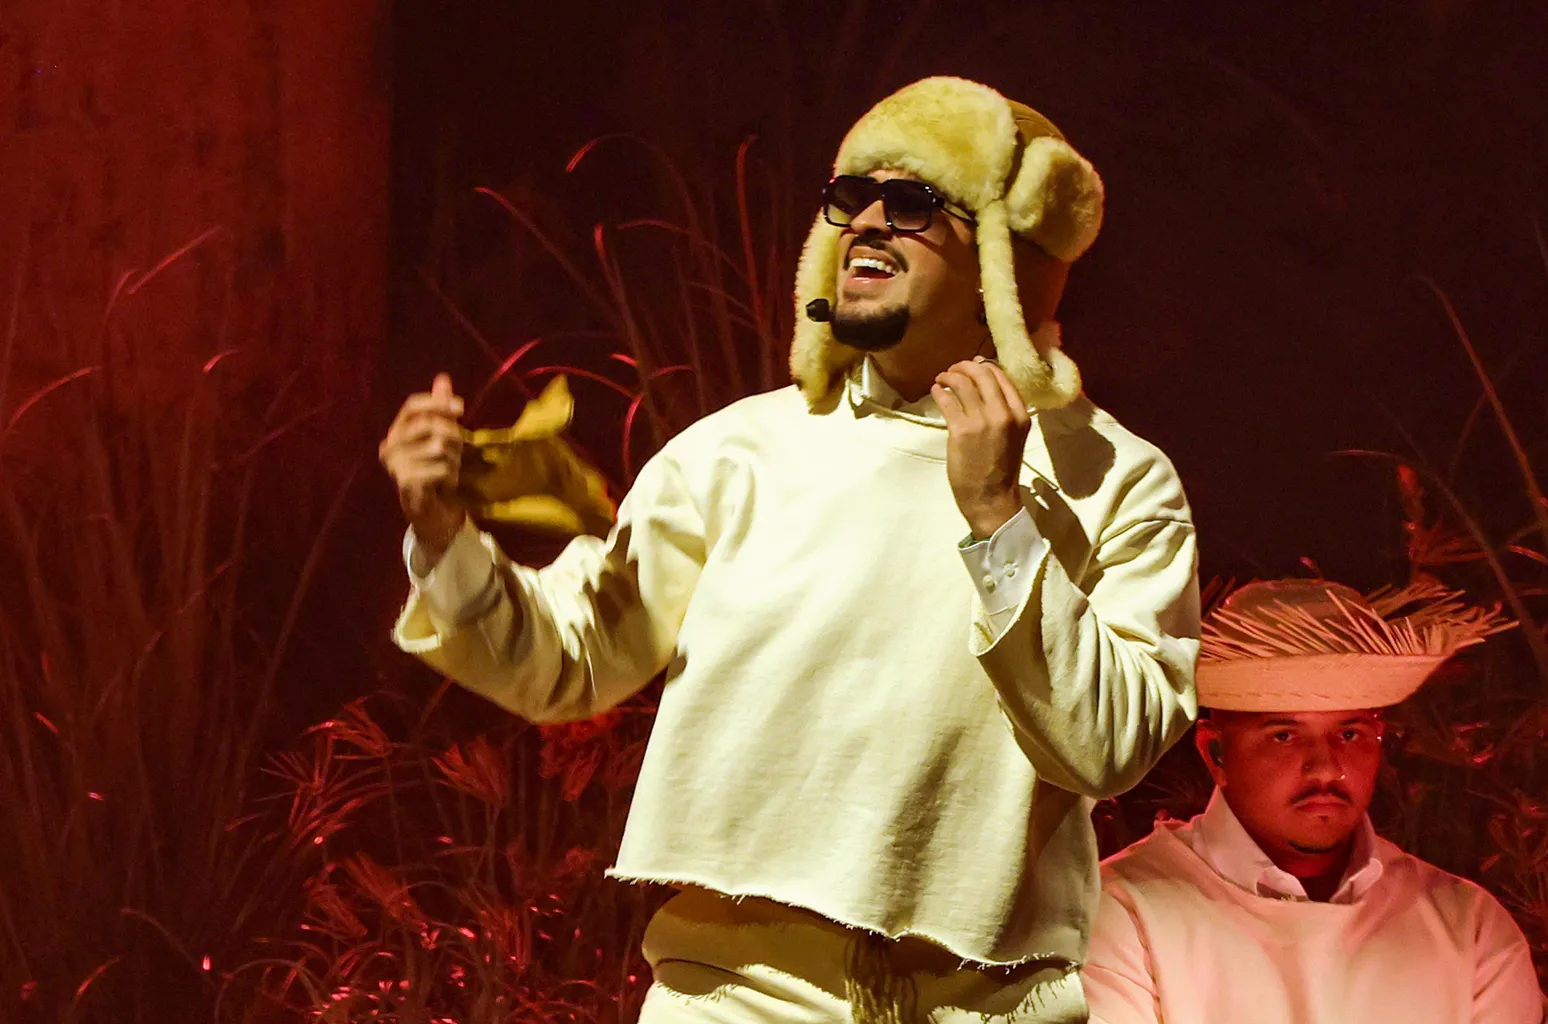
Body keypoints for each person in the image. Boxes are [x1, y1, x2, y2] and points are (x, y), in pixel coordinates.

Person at [380, 76, 1200, 1023]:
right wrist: (443, 537)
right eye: (851, 197)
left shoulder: (1116, 479)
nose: (867, 224)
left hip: (992, 1005)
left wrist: (997, 518)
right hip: (735, 1000)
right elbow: (571, 662)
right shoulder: (737, 453)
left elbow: (1112, 746)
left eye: (914, 201)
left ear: (1005, 260)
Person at [1082, 578, 1543, 1024]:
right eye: (1284, 735)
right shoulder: (1119, 912)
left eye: (1349, 733)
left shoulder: (1469, 928)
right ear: (1216, 753)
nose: (1325, 768)